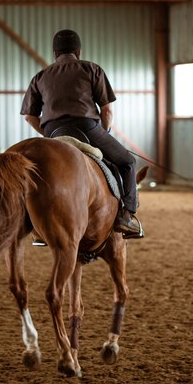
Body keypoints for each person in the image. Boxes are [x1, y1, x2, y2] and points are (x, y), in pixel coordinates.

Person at [20, 29, 142, 236]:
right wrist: (104, 133)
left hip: (53, 131)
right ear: (78, 51)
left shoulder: (40, 77)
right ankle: (127, 215)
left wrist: (50, 136)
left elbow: (29, 117)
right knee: (128, 162)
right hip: (86, 128)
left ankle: (33, 222)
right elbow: (107, 109)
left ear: (54, 53)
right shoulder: (91, 69)